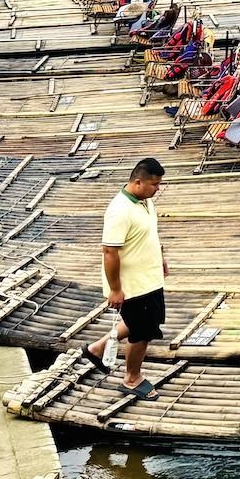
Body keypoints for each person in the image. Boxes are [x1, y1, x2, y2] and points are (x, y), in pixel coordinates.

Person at [81, 157, 168, 400]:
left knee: (147, 320)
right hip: (133, 286)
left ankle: (96, 349)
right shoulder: (119, 210)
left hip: (150, 278)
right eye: (154, 184)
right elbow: (110, 251)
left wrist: (161, 257)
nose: (158, 189)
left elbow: (150, 233)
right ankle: (131, 378)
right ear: (138, 182)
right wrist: (115, 289)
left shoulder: (145, 201)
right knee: (142, 331)